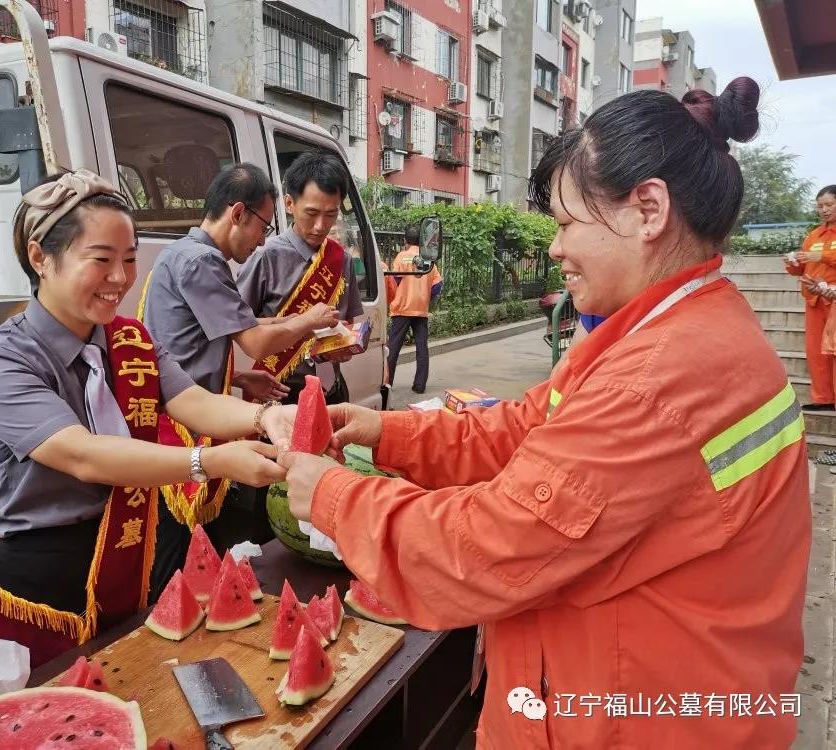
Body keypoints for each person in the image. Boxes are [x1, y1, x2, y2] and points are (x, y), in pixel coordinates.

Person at [279, 80, 810, 748]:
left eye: (565, 223)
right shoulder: (653, 333)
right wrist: (389, 430)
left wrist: (329, 496)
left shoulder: (660, 377)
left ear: (648, 209)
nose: (555, 248)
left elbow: (490, 548)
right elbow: (528, 426)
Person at [0, 170, 290, 667]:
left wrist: (269, 417)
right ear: (39, 258)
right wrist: (210, 461)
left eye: (131, 259)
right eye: (102, 260)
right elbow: (84, 455)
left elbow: (194, 402)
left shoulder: (130, 340)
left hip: (129, 553)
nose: (120, 278)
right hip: (44, 577)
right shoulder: (1, 360)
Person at [140, 163, 338, 589]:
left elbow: (191, 346)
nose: (263, 239)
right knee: (175, 554)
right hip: (184, 424)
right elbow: (255, 341)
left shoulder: (183, 254)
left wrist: (238, 382)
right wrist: (309, 320)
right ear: (237, 213)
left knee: (186, 547)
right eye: (262, 226)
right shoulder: (201, 263)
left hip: (190, 406)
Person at [236, 149, 364, 406]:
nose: (320, 226)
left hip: (332, 390)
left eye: (331, 214)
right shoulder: (265, 257)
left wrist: (344, 346)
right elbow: (237, 325)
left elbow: (346, 321)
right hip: (280, 390)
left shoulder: (341, 259)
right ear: (289, 204)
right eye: (311, 213)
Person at [783, 184, 836, 410]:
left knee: (833, 349)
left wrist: (821, 255)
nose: (824, 210)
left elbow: (824, 258)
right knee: (816, 351)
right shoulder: (814, 234)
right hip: (814, 299)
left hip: (833, 298)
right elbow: (804, 267)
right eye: (820, 206)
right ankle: (823, 398)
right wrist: (793, 263)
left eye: (829, 205)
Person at [385, 225, 442, 394]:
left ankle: (387, 383)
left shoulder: (401, 257)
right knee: (421, 348)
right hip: (420, 310)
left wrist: (393, 298)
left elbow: (393, 280)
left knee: (393, 349)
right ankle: (419, 385)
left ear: (405, 241)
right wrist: (425, 297)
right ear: (421, 241)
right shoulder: (428, 260)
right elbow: (438, 285)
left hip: (401, 309)